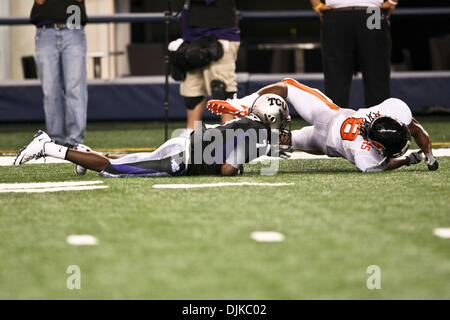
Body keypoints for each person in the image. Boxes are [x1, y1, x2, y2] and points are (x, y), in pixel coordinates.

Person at [14, 94, 291, 177]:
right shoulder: (256, 136)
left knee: (131, 159)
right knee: (114, 170)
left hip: (182, 144)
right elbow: (229, 167)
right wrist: (240, 170)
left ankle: (81, 152)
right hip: (181, 159)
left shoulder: (248, 122)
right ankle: (48, 147)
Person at [206, 78, 439, 172]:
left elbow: (415, 128)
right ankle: (220, 144)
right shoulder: (368, 156)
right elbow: (389, 161)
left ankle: (242, 106)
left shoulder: (393, 109)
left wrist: (428, 154)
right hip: (323, 141)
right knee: (277, 141)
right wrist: (414, 158)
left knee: (288, 86)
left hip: (329, 115)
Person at [310, 0, 397, 108]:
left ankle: (335, 121)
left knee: (337, 75)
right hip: (369, 12)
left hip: (341, 12)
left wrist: (316, 4)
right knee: (375, 71)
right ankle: (379, 122)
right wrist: (392, 2)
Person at [30, 0, 88, 147]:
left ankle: (75, 140)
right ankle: (55, 139)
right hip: (45, 30)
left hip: (73, 27)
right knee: (50, 90)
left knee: (75, 88)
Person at [178, 0, 241, 130]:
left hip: (219, 35)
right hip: (191, 37)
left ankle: (229, 136)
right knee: (192, 92)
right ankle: (192, 135)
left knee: (222, 90)